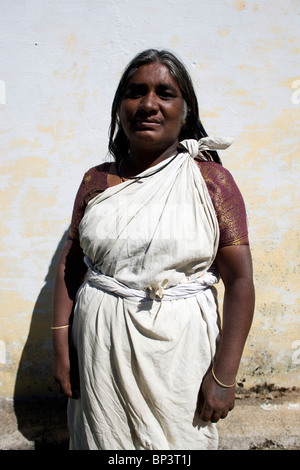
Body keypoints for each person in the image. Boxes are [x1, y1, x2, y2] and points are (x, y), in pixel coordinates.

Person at [52, 49, 255, 450]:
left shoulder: (211, 181)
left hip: (181, 356)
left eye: (165, 93)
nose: (148, 104)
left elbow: (241, 279)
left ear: (185, 111)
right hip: (100, 354)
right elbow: (71, 266)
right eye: (135, 92)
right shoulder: (96, 182)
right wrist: (61, 345)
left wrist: (223, 374)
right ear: (119, 108)